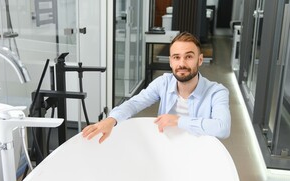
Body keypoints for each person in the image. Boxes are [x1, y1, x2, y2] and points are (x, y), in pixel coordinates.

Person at [82, 31, 230, 143]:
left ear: (200, 60)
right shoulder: (164, 83)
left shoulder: (216, 92)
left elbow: (222, 128)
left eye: (189, 57)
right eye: (176, 57)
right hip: (165, 147)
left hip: (197, 154)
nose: (182, 64)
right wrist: (111, 120)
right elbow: (135, 103)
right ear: (171, 62)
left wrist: (177, 120)